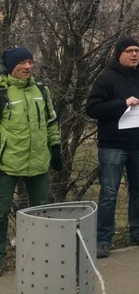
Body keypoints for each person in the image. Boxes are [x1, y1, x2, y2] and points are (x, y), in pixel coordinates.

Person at [86, 37, 139, 259]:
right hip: (113, 146)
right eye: (129, 50)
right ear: (118, 53)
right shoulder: (106, 79)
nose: (134, 54)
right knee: (109, 193)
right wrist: (122, 103)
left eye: (137, 50)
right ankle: (103, 239)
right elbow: (92, 108)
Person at [0, 47, 61, 274]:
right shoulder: (2, 92)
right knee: (1, 211)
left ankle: (40, 256)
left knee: (40, 211)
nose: (27, 67)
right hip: (7, 164)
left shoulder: (41, 91)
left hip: (38, 162)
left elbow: (51, 121)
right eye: (22, 63)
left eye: (30, 62)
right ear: (11, 66)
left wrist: (55, 148)